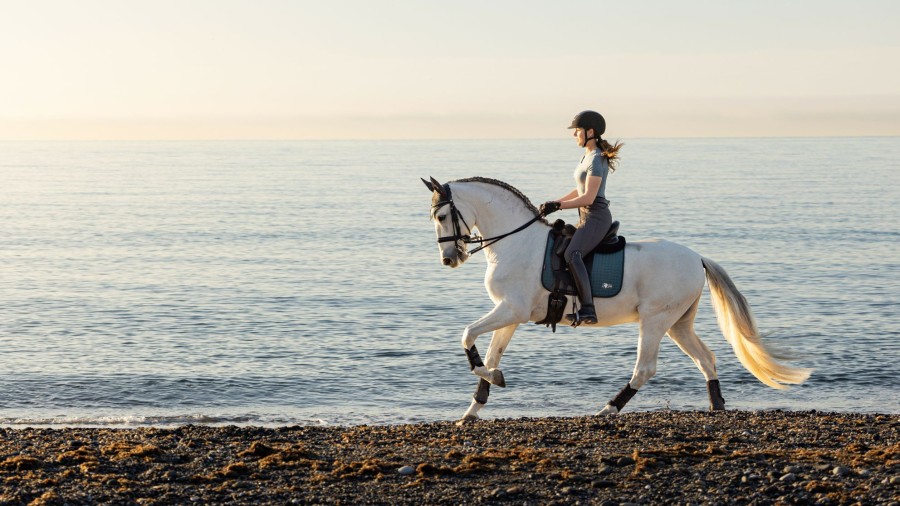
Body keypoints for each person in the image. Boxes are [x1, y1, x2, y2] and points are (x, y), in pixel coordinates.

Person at [539, 110, 623, 325]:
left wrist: (558, 206)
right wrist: (554, 202)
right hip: (586, 216)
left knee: (572, 253)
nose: (574, 135)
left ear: (590, 131)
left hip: (596, 216)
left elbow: (588, 197)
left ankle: (588, 309)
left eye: (577, 131)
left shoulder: (596, 159)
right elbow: (578, 190)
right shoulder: (586, 156)